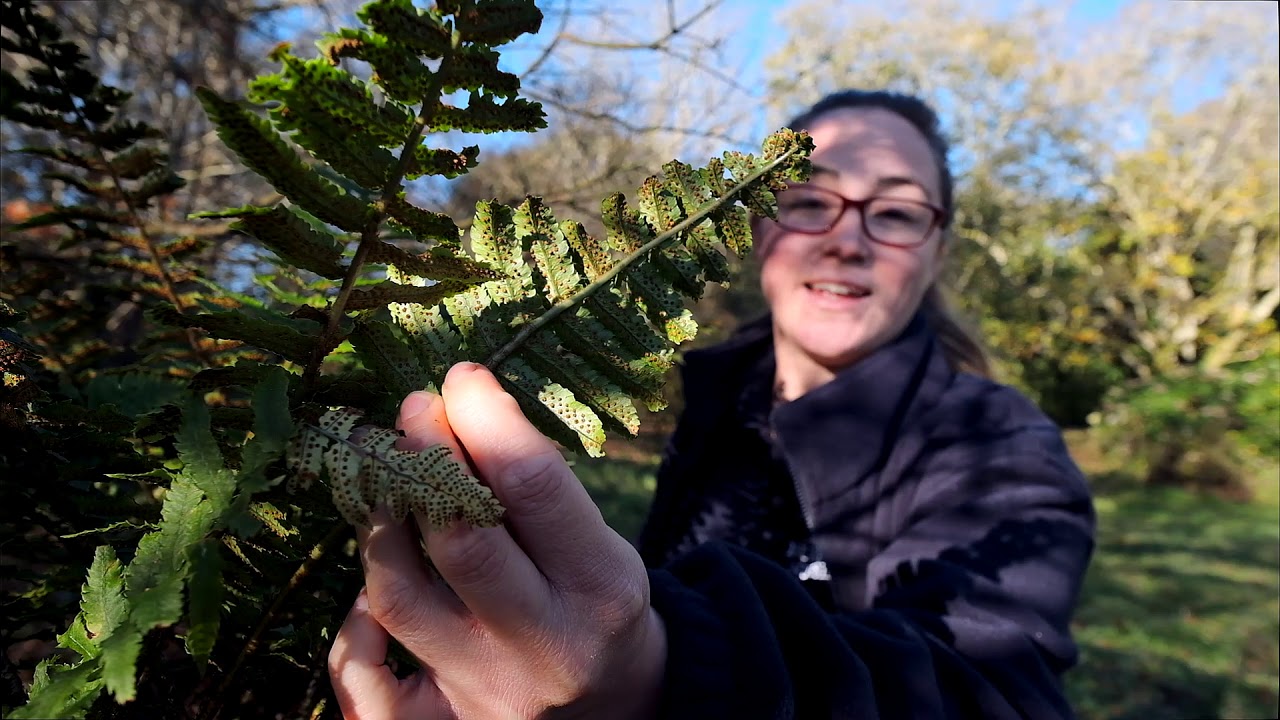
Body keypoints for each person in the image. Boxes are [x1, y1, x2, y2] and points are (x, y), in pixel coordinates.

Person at [326, 89, 1097, 719]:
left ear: (936, 250)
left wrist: (654, 671)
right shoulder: (715, 399)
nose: (848, 240)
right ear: (760, 227)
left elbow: (987, 694)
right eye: (811, 201)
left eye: (895, 213)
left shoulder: (1002, 448)